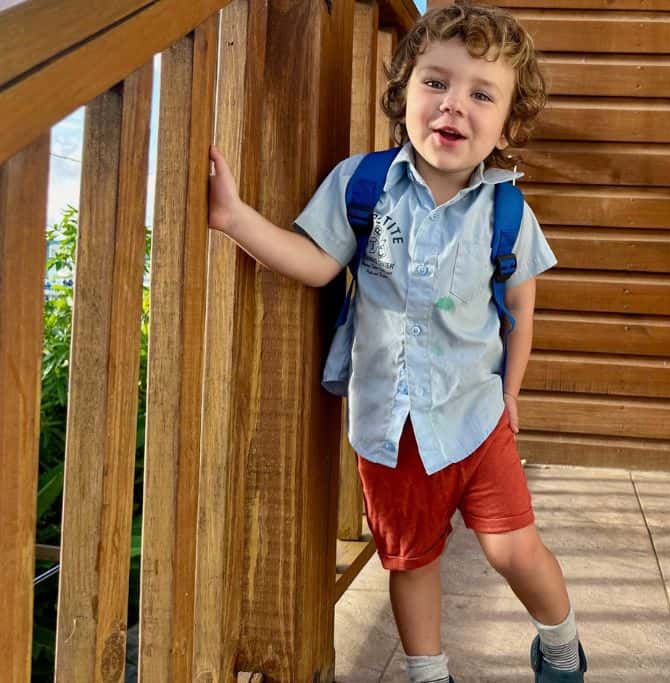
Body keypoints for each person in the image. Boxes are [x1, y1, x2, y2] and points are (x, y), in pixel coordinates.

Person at [207, 3, 586, 681]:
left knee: (511, 548)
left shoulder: (506, 211)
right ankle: (426, 672)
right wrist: (234, 219)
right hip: (390, 426)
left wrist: (512, 394)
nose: (453, 106)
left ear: (507, 125)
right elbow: (317, 260)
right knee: (410, 557)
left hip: (475, 418)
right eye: (436, 82)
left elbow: (521, 311)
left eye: (480, 93)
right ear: (404, 89)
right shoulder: (364, 185)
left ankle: (560, 643)